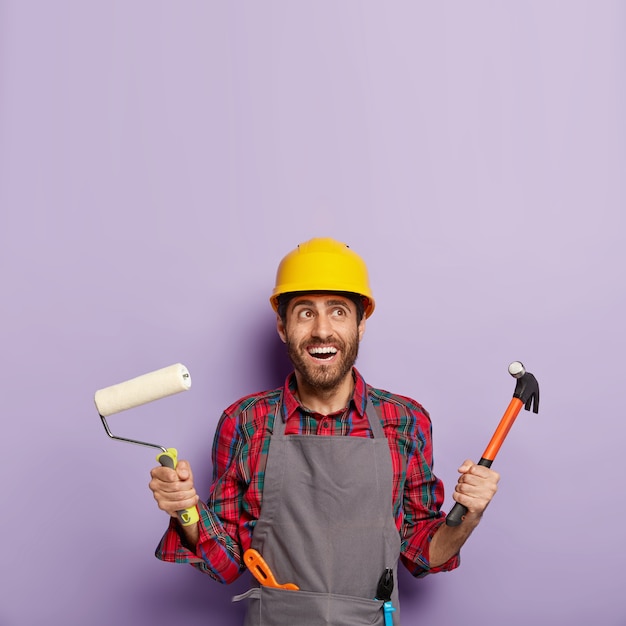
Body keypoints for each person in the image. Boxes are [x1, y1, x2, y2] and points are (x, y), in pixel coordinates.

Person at [149, 237, 499, 626]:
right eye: (304, 313)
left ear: (360, 324)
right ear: (282, 326)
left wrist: (469, 514)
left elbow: (423, 555)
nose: (321, 331)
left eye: (337, 311)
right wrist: (186, 510)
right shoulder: (245, 422)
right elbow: (227, 563)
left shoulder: (405, 421)